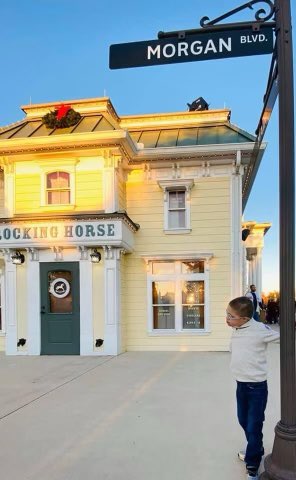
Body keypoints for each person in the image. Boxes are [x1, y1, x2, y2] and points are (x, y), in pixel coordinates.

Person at [226, 296, 280, 480]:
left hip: (257, 387)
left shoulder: (259, 329)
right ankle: (255, 448)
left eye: (230, 316)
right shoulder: (237, 328)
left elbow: (282, 334)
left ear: (245, 319)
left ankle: (252, 466)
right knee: (243, 420)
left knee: (253, 425)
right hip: (240, 385)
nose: (227, 319)